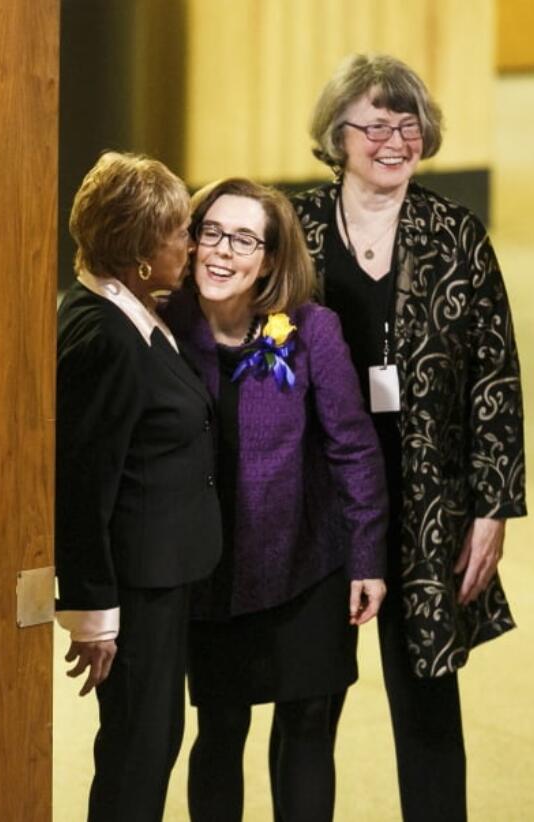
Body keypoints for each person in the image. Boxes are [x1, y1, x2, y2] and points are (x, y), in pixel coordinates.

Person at [292, 54, 526, 822]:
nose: (396, 140)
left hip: (432, 504)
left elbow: (497, 377)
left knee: (428, 705)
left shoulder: (455, 232)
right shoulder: (292, 231)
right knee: (308, 703)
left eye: (409, 124)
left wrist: (492, 509)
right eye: (376, 125)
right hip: (320, 504)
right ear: (338, 135)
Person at [161, 178, 387, 822]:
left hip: (307, 566)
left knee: (309, 724)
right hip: (212, 573)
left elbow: (353, 447)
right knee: (221, 728)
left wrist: (368, 557)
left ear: (270, 258)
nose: (221, 252)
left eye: (243, 239)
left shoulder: (313, 330)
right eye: (211, 232)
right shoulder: (167, 324)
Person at [55, 151, 223, 822]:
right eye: (178, 231)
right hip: (135, 591)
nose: (192, 243)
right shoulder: (105, 339)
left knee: (153, 745)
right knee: (137, 756)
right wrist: (93, 616)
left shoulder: (128, 309)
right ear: (139, 252)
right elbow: (82, 485)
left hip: (162, 579)